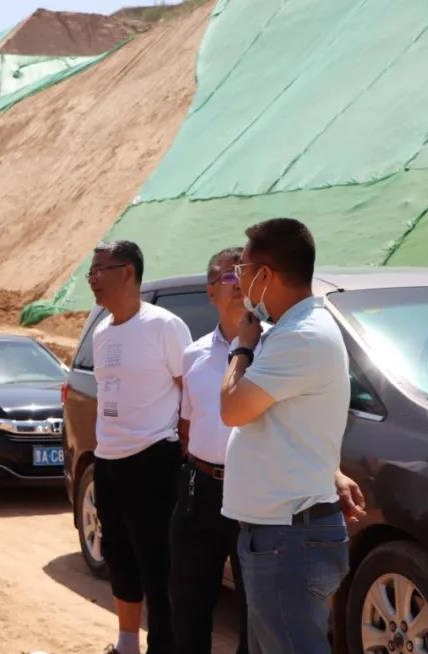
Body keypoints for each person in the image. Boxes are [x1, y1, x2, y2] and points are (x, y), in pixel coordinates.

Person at [221, 217, 353, 654]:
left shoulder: (301, 336)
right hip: (281, 534)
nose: (238, 281)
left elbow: (232, 408)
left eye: (242, 270)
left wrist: (241, 347)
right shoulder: (289, 331)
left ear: (265, 275)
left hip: (288, 537)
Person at [87, 240, 191, 654]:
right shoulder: (100, 331)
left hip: (152, 459)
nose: (92, 279)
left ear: (128, 272)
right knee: (118, 556)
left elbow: (189, 389)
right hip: (108, 459)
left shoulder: (164, 326)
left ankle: (162, 646)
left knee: (157, 563)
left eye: (100, 270)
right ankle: (127, 643)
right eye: (90, 272)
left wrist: (183, 442)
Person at [169, 247, 250, 654]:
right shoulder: (194, 354)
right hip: (200, 488)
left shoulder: (275, 349)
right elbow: (187, 425)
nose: (237, 284)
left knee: (255, 611)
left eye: (244, 274)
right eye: (228, 276)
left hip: (254, 492)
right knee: (189, 603)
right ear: (210, 291)